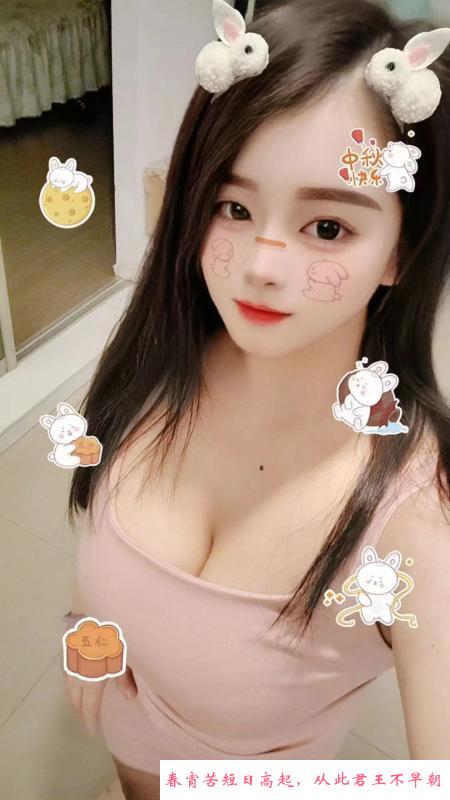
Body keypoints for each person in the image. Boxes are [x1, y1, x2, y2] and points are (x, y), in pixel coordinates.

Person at [63, 1, 450, 798]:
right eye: (234, 208)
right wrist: (89, 630)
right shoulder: (161, 357)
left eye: (328, 228)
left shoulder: (419, 517)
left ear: (400, 251)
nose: (260, 267)